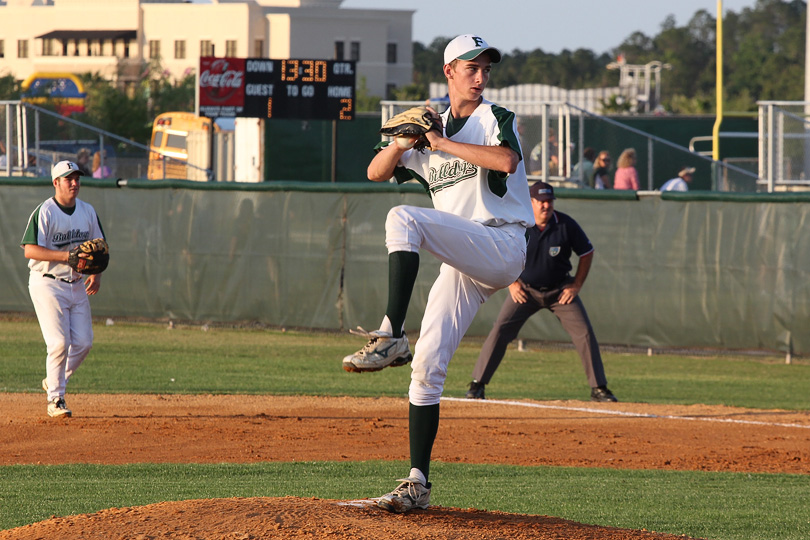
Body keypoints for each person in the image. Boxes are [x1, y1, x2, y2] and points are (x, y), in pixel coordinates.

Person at [342, 34, 534, 514]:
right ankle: (417, 483)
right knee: (427, 369)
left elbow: (506, 160)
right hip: (466, 256)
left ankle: (390, 334)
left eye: (486, 67)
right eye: (472, 67)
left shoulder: (494, 119)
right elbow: (375, 172)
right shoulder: (429, 130)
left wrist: (439, 142)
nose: (481, 75)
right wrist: (405, 141)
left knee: (403, 219)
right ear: (449, 71)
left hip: (502, 243)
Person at [465, 181, 617, 403]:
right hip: (525, 291)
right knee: (500, 331)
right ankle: (477, 384)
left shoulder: (565, 225)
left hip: (560, 292)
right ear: (531, 202)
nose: (546, 206)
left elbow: (587, 252)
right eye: (541, 201)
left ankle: (599, 388)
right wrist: (512, 283)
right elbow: (500, 251)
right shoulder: (520, 224)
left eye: (549, 201)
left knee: (584, 333)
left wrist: (576, 285)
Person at [20, 160, 106, 418]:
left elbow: (99, 247)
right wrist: (66, 256)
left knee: (83, 343)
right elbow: (30, 250)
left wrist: (97, 273)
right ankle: (55, 399)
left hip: (77, 284)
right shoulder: (44, 212)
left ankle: (53, 379)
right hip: (47, 282)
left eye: (77, 178)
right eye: (68, 179)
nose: (74, 183)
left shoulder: (87, 211)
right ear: (55, 183)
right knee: (59, 342)